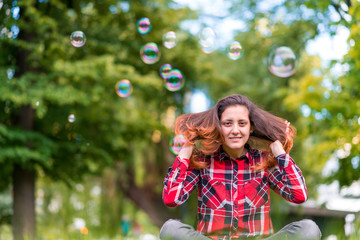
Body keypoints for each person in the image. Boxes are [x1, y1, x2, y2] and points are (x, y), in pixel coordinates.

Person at [159, 94, 321, 240]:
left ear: (250, 128)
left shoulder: (263, 162)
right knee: (171, 228)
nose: (235, 130)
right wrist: (186, 150)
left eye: (242, 123)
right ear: (219, 127)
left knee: (309, 229)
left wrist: (279, 151)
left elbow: (299, 195)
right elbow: (171, 199)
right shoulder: (203, 162)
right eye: (227, 123)